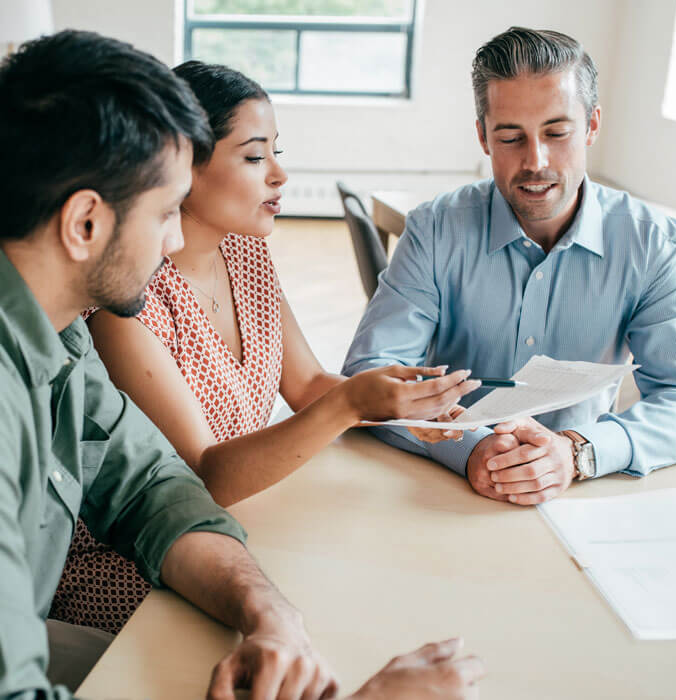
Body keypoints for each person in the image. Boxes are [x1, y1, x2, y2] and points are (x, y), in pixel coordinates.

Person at [0, 30, 484, 699]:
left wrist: (271, 617)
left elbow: (152, 492)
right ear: (85, 224)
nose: (175, 238)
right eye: (166, 211)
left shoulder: (60, 341)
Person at [343, 26, 676, 506]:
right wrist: (472, 451)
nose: (536, 161)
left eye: (557, 133)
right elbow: (370, 374)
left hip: (581, 493)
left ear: (592, 125)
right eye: (510, 137)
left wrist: (578, 452)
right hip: (442, 488)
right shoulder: (434, 229)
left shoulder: (650, 243)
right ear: (483, 137)